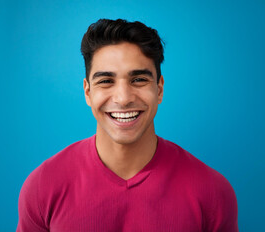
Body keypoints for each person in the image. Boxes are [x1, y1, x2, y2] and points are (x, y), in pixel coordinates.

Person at [17, 19, 238, 232]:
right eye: (106, 81)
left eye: (139, 80)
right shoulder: (42, 187)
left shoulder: (212, 191)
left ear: (159, 90)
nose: (123, 98)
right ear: (88, 92)